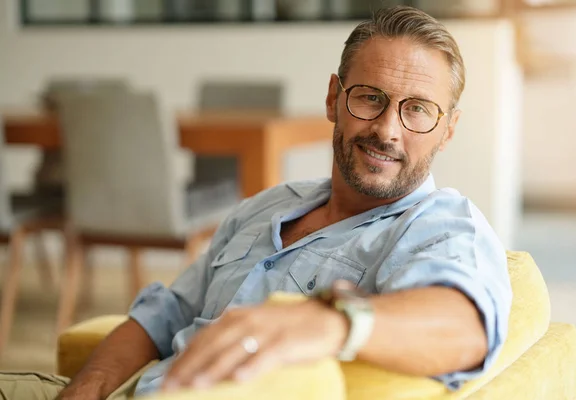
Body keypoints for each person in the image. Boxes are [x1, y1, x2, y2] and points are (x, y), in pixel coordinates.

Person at [0, 5, 512, 400]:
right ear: (334, 97)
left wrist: (333, 323)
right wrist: (94, 382)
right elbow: (166, 314)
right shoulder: (267, 205)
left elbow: (463, 325)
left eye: (417, 110)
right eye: (369, 98)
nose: (386, 129)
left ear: (447, 130)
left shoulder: (442, 225)